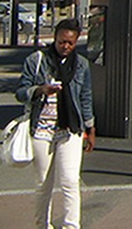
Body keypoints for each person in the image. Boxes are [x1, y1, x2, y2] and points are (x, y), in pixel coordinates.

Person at [16, 18, 95, 229]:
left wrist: (90, 127)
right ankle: (42, 225)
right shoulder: (37, 60)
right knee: (43, 184)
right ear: (55, 38)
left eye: (70, 43)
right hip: (42, 129)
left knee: (70, 180)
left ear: (76, 41)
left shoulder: (81, 65)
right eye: (61, 42)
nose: (65, 47)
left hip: (70, 130)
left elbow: (85, 97)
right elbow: (21, 92)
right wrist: (40, 90)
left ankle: (71, 225)